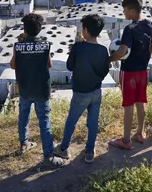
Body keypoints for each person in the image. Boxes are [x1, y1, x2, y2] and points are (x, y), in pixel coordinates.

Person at [10, 13, 64, 167]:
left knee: (23, 117)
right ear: (39, 30)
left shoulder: (18, 45)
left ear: (24, 30)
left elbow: (13, 65)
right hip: (42, 89)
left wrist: (18, 47)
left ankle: (24, 143)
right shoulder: (45, 45)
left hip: (25, 88)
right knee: (44, 122)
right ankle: (48, 156)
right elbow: (49, 65)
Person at [54, 14, 109, 164]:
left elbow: (70, 66)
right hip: (96, 91)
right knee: (93, 122)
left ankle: (64, 148)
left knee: (72, 120)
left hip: (80, 92)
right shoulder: (103, 50)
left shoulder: (79, 47)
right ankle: (90, 151)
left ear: (85, 30)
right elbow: (105, 71)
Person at [109, 0, 152, 149]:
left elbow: (122, 51)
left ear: (132, 11)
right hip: (143, 71)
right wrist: (144, 62)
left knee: (128, 105)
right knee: (141, 102)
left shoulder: (129, 29)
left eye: (125, 11)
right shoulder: (149, 25)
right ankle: (140, 133)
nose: (123, 13)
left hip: (128, 72)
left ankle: (126, 140)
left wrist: (109, 59)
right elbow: (151, 48)